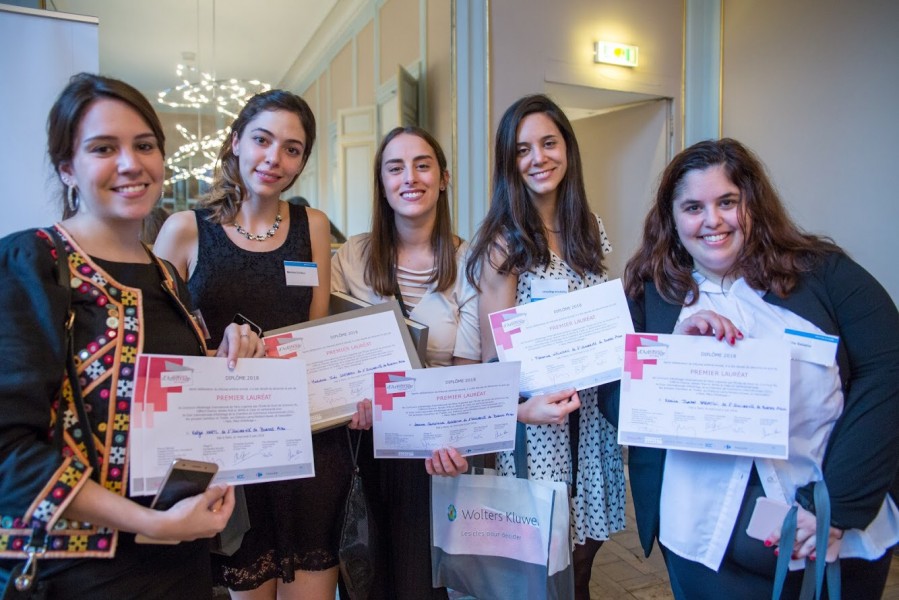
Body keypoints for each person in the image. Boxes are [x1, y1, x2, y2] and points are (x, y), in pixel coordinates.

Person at [0, 73, 263, 598]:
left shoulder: (164, 273)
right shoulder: (34, 263)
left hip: (180, 560)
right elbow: (9, 448)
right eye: (103, 148)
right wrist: (150, 524)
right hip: (78, 574)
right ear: (67, 167)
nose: (130, 163)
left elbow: (150, 387)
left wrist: (228, 352)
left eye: (144, 145)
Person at [621, 138, 899, 599]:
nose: (712, 221)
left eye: (727, 201)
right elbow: (621, 400)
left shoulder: (824, 273)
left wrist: (839, 507)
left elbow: (887, 371)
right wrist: (677, 357)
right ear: (672, 218)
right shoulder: (652, 293)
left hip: (833, 535)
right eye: (693, 207)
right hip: (702, 543)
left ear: (752, 202)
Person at [153, 89, 347, 600]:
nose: (274, 159)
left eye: (292, 148)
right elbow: (160, 350)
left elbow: (316, 337)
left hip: (306, 443)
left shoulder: (315, 227)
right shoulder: (184, 231)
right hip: (231, 448)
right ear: (237, 141)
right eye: (262, 140)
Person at [466, 93, 626, 599]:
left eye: (548, 143)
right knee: (541, 567)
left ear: (567, 149)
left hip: (591, 415)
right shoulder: (503, 242)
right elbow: (495, 360)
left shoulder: (589, 227)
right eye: (522, 150)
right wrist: (522, 410)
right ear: (509, 163)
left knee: (583, 559)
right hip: (539, 427)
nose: (538, 158)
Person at [331, 126, 481, 599]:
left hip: (433, 452)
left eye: (422, 165)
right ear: (381, 183)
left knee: (421, 584)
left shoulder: (472, 262)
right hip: (360, 446)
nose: (409, 177)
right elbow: (331, 347)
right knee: (365, 582)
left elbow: (466, 372)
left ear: (443, 178)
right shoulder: (351, 257)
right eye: (395, 168)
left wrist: (455, 438)